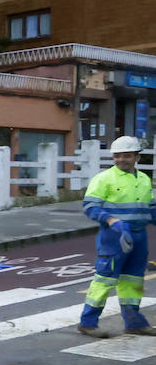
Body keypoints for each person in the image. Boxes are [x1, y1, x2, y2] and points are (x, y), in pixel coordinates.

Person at [77, 136, 155, 337]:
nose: (121, 159)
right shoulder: (104, 179)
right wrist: (111, 220)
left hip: (138, 237)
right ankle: (87, 323)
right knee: (104, 280)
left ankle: (134, 323)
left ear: (137, 157)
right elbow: (90, 206)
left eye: (127, 156)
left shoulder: (145, 180)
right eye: (117, 156)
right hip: (114, 237)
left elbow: (151, 209)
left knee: (133, 281)